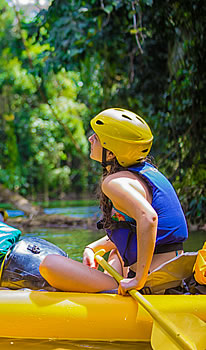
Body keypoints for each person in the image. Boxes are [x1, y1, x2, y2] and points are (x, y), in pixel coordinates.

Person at [39, 108, 188, 295]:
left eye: (97, 137)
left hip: (153, 281)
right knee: (116, 252)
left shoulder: (114, 182)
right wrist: (94, 247)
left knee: (49, 264)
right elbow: (135, 229)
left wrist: (138, 280)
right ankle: (112, 285)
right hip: (171, 274)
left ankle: (115, 290)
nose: (90, 139)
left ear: (110, 154)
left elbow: (148, 218)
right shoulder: (146, 172)